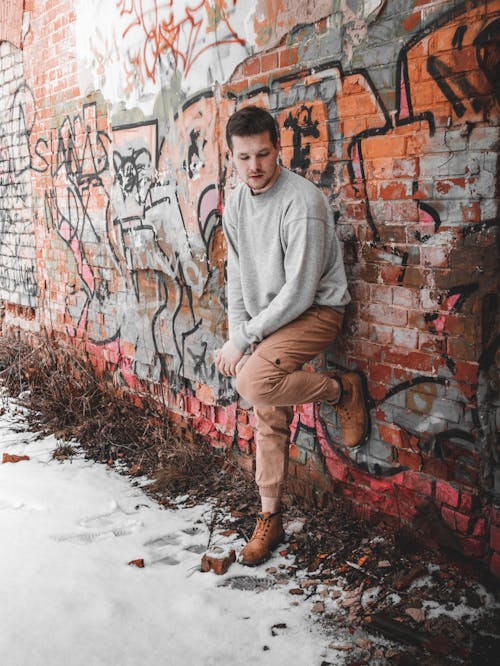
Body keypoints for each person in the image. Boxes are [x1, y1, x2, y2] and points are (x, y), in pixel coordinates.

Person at [216, 105, 369, 566]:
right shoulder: (238, 202)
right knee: (266, 406)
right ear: (232, 157)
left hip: (315, 312)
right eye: (243, 158)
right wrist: (237, 335)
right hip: (270, 318)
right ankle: (270, 516)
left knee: (254, 383)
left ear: (278, 149)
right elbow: (236, 277)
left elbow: (301, 292)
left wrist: (247, 340)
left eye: (263, 155)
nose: (254, 167)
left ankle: (341, 389)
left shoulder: (302, 203)